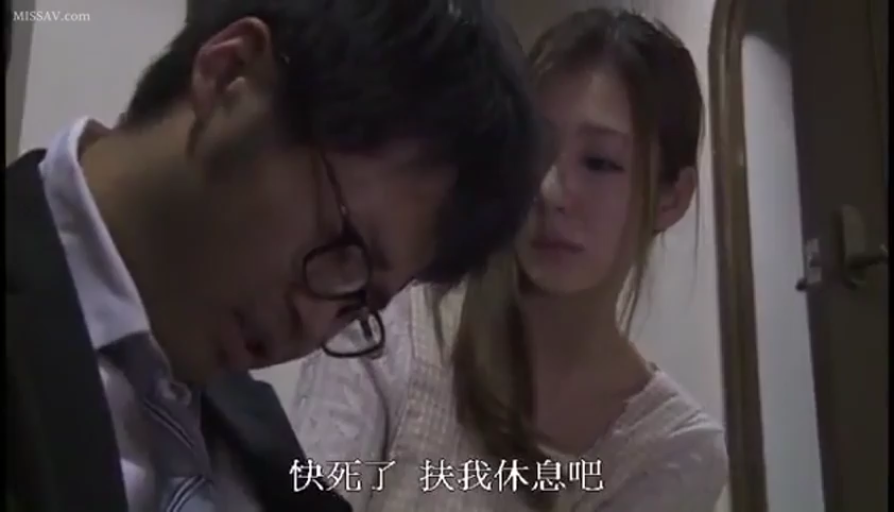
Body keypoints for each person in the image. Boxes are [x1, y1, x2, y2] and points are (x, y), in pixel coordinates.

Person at [4, 1, 545, 511]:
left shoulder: (257, 439)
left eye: (357, 303)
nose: (313, 322)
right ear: (229, 75)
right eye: (341, 245)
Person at [288, 8, 728, 512]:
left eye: (599, 163)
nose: (550, 191)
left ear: (672, 198)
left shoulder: (674, 450)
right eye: (538, 149)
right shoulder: (388, 325)